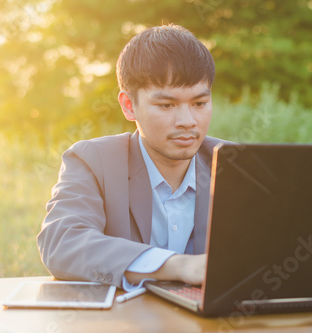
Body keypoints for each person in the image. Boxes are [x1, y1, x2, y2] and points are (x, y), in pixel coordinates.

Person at [37, 24, 226, 291]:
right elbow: (62, 243)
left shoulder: (236, 163)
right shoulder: (93, 160)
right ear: (128, 105)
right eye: (166, 105)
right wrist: (178, 266)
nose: (187, 121)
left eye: (199, 103)